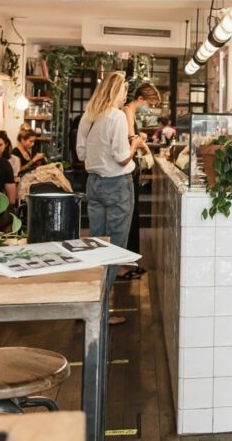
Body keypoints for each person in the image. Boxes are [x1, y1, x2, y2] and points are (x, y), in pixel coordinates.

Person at [76, 72, 146, 322]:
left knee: (97, 245)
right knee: (114, 248)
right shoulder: (116, 116)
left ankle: (90, 304)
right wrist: (135, 146)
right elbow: (122, 157)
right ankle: (100, 312)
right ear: (117, 91)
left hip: (93, 185)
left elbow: (82, 154)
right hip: (117, 185)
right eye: (124, 90)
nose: (126, 95)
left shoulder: (89, 116)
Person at [121, 83, 159, 269]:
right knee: (131, 212)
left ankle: (129, 260)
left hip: (131, 164)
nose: (149, 108)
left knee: (133, 212)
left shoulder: (130, 112)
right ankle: (127, 261)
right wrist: (141, 140)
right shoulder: (128, 111)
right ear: (141, 99)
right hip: (128, 165)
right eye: (149, 103)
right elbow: (130, 140)